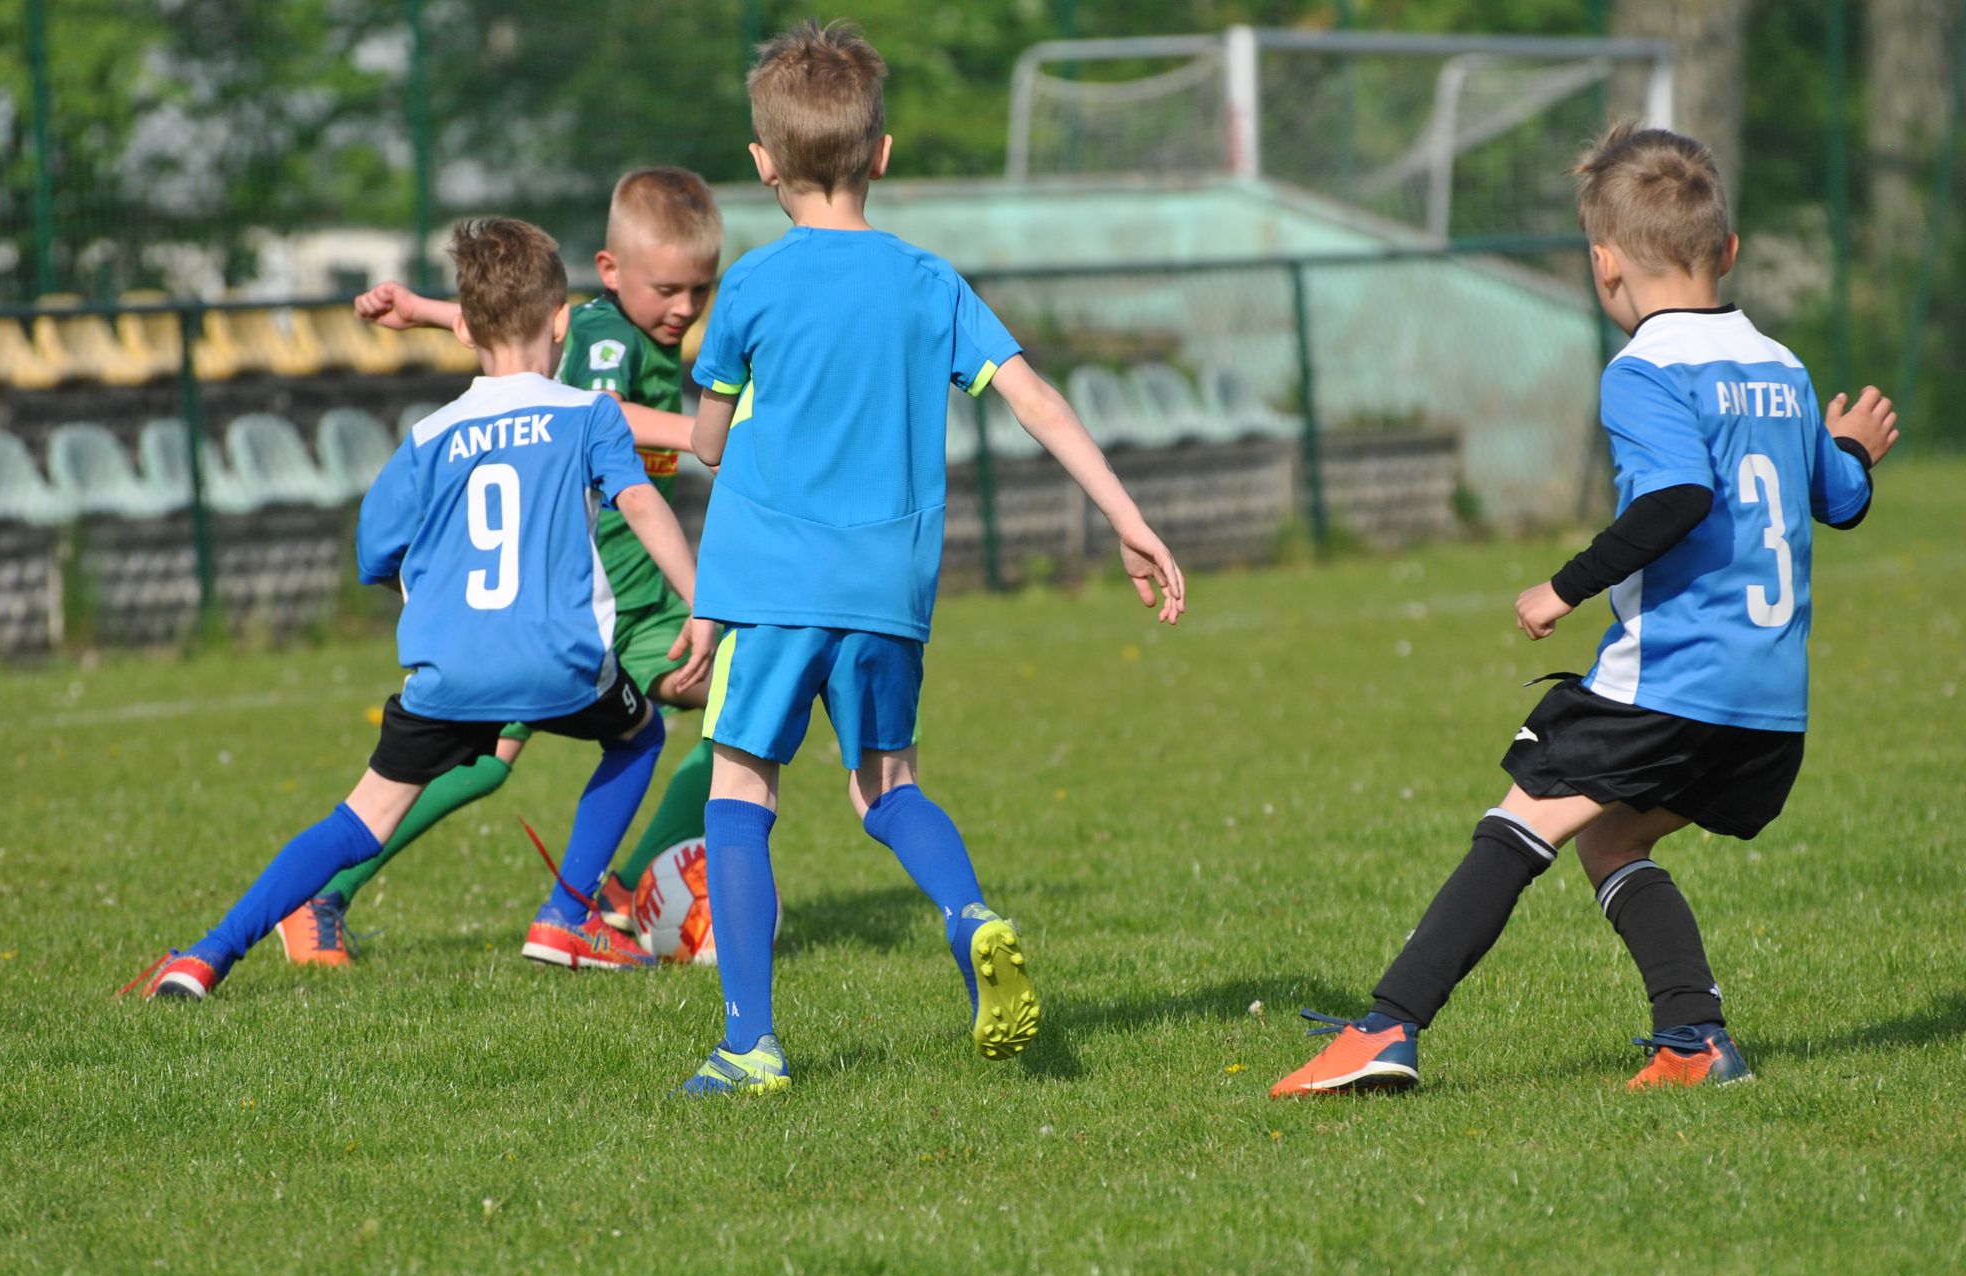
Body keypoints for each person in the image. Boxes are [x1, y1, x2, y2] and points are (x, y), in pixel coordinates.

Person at [1271, 125, 1897, 1096]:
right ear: (1725, 252)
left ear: (1602, 267)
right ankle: (1692, 1040)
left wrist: (1560, 585)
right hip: (1767, 698)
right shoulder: (1779, 366)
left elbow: (1676, 497)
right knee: (1613, 839)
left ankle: (1383, 1029)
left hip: (1672, 675)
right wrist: (1847, 449)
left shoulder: (1643, 370)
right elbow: (1838, 501)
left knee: (1516, 823)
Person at [676, 19, 1186, 1095]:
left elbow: (708, 445)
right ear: (882, 154)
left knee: (740, 786)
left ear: (763, 165)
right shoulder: (924, 281)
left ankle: (749, 1042)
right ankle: (969, 913)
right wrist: (1126, 516)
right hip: (887, 590)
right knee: (887, 786)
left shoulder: (753, 289)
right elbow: (1034, 397)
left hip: (770, 587)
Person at [125, 218, 712, 1000]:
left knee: (357, 819)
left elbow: (374, 553)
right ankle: (568, 913)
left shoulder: (428, 437)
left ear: (464, 326)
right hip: (560, 659)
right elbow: (639, 501)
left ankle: (204, 956)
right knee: (638, 735)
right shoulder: (589, 414)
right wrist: (702, 603)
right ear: (561, 319)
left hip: (448, 669)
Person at [302, 168, 724, 971]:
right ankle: (326, 893)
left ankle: (618, 892)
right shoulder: (607, 337)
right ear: (609, 275)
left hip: (634, 604)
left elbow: (513, 332)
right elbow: (600, 411)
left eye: (700, 290)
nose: (683, 307)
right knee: (486, 763)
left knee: (745, 697)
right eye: (667, 287)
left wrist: (426, 311)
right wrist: (705, 433)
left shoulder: (628, 332)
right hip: (574, 603)